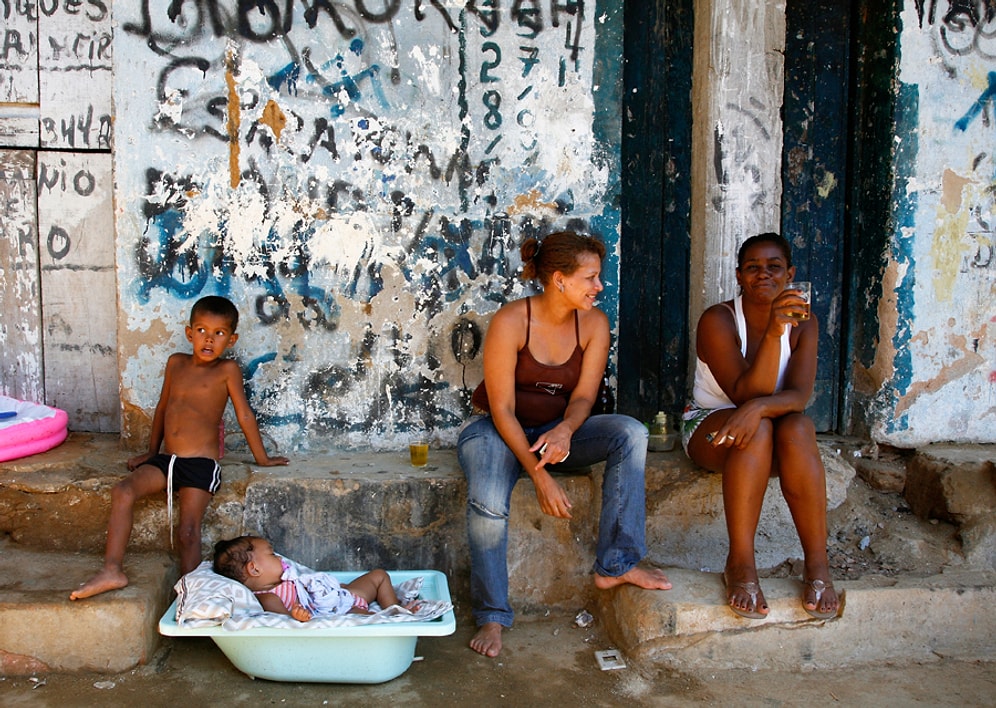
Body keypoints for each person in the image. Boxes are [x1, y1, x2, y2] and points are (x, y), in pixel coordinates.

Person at [458, 230, 671, 658]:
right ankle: (492, 615)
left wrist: (566, 430)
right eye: (591, 278)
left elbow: (584, 399)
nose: (599, 286)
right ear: (559, 279)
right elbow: (501, 409)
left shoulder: (593, 324)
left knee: (631, 433)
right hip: (498, 432)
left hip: (558, 433)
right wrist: (539, 476)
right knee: (488, 500)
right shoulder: (511, 321)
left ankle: (617, 564)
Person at [70, 296, 289, 600]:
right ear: (189, 334)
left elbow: (244, 415)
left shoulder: (227, 371)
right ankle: (111, 569)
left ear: (231, 339)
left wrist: (262, 458)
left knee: (187, 532)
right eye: (201, 330)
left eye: (219, 333)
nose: (209, 339)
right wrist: (151, 452)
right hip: (167, 461)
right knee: (123, 491)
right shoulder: (176, 363)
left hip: (200, 465)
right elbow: (163, 408)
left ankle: (193, 598)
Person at [682, 233, 840, 621]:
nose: (763, 275)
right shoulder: (718, 319)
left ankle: (817, 564)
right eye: (752, 268)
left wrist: (761, 409)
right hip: (711, 425)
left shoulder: (805, 322)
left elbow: (799, 396)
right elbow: (742, 392)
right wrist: (773, 332)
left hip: (764, 423)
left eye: (774, 267)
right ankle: (740, 563)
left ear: (791, 274)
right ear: (739, 275)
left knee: (798, 427)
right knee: (761, 431)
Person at [212, 535, 417, 620]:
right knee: (355, 617)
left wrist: (334, 586)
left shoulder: (285, 578)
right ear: (255, 569)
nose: (279, 558)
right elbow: (284, 622)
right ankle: (392, 619)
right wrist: (297, 616)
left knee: (379, 575)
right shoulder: (268, 597)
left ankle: (394, 606)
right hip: (338, 609)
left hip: (342, 594)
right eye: (272, 555)